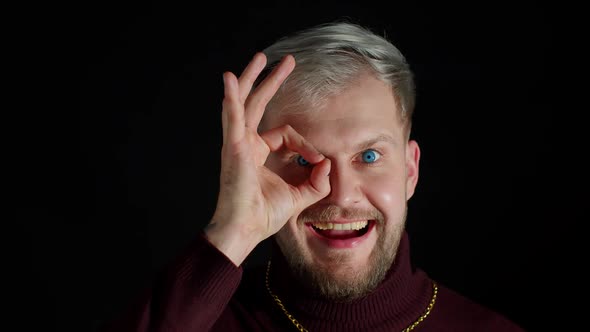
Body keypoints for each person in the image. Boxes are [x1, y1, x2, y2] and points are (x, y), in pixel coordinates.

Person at [103, 21, 525, 332]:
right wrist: (231, 233)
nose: (338, 193)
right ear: (260, 172)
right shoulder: (197, 320)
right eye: (303, 161)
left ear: (410, 171)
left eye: (370, 155)